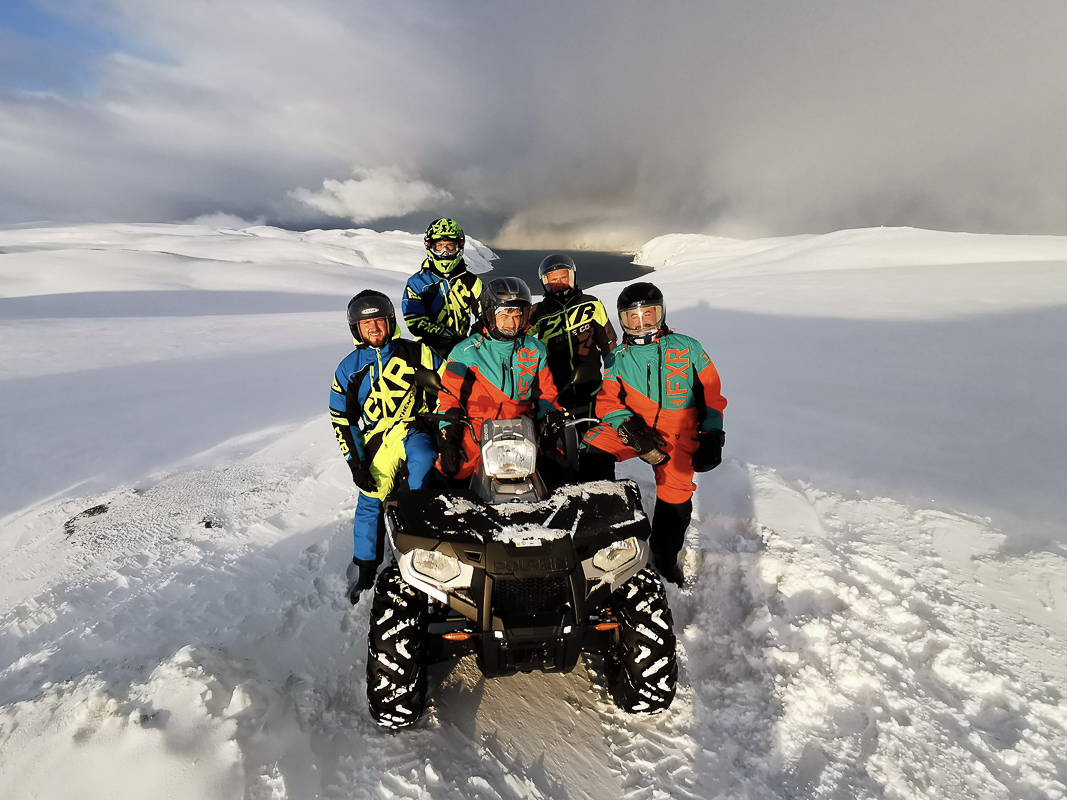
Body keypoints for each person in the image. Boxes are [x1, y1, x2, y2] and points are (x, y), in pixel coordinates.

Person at [581, 282, 726, 587]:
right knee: (593, 446)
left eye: (649, 314)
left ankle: (664, 555)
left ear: (661, 314)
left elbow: (712, 393)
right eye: (632, 317)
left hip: (678, 432)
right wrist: (628, 427)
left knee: (676, 500)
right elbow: (607, 401)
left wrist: (713, 432)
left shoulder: (687, 348)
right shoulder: (618, 357)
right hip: (635, 425)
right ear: (623, 320)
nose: (641, 323)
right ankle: (602, 522)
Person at [330, 290, 442, 602]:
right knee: (370, 496)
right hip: (377, 439)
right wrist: (356, 463)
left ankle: (420, 550)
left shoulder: (416, 352)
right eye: (366, 324)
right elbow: (342, 419)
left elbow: (450, 383)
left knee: (424, 463)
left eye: (379, 320)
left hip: (414, 428)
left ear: (390, 322)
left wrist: (440, 420)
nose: (374, 328)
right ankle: (366, 571)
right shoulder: (349, 368)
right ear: (356, 328)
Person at [435, 277, 563, 481]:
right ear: (489, 314)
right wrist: (449, 436)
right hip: (477, 428)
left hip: (522, 427)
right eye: (504, 315)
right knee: (451, 469)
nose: (511, 324)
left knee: (556, 468)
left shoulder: (534, 349)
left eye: (517, 316)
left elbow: (546, 393)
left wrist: (550, 419)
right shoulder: (465, 353)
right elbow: (449, 400)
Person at [528, 254, 617, 481]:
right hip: (557, 390)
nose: (559, 282)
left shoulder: (591, 304)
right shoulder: (538, 312)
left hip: (592, 387)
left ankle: (602, 486)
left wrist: (614, 382)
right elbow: (513, 335)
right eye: (553, 278)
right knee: (559, 447)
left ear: (572, 277)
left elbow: (609, 344)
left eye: (563, 277)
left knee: (598, 443)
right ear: (544, 282)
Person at [402, 218, 484, 360]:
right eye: (439, 246)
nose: (445, 252)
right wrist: (440, 333)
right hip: (429, 349)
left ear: (459, 246)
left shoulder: (472, 282)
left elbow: (486, 314)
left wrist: (475, 336)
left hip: (464, 348)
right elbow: (413, 319)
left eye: (450, 246)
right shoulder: (418, 283)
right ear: (430, 246)